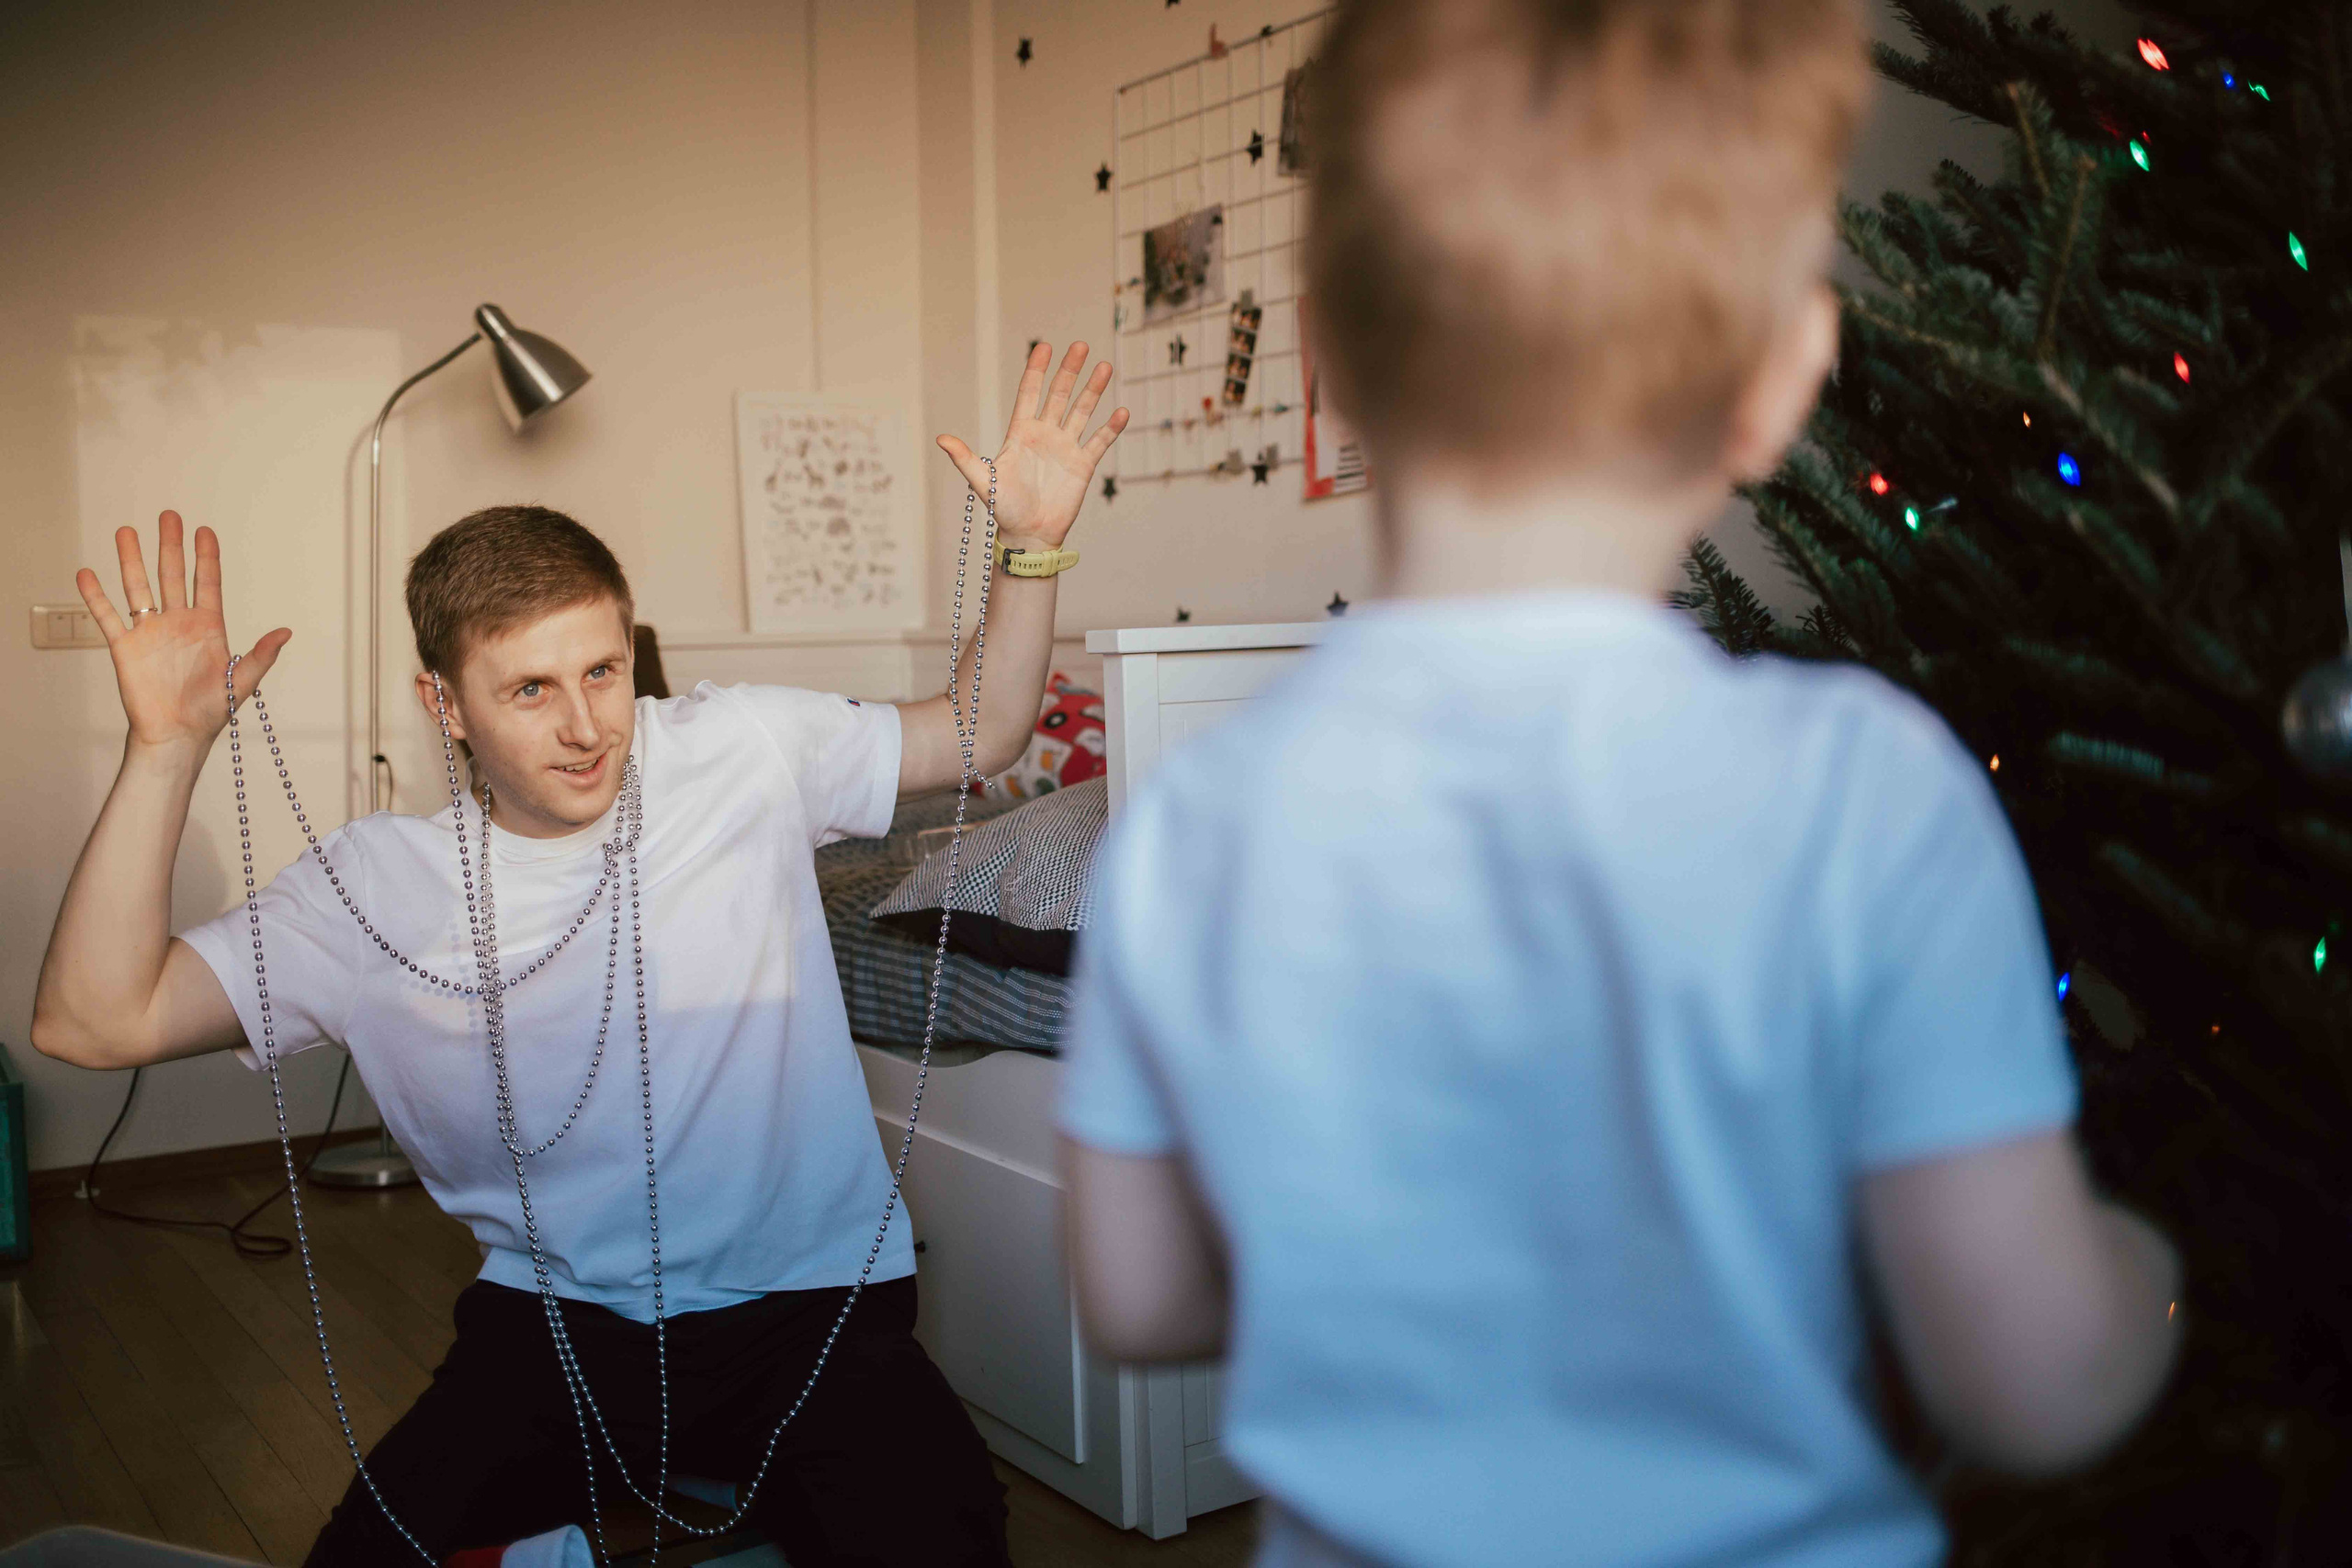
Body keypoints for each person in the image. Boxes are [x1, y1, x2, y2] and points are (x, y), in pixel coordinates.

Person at [1057, 5, 2183, 1566]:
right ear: (1785, 379)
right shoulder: (1861, 791)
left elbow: (1135, 1294)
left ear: (1325, 349)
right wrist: (2153, 1278)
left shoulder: (1184, 824)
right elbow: (2036, 1384)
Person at [31, 342, 1126, 1567]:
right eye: (530, 691)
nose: (587, 726)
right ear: (445, 706)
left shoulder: (738, 748)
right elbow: (95, 1022)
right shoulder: (371, 888)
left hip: (819, 1315)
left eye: (604, 670)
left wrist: (1029, 552)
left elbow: (979, 737)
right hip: (558, 1328)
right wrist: (165, 749)